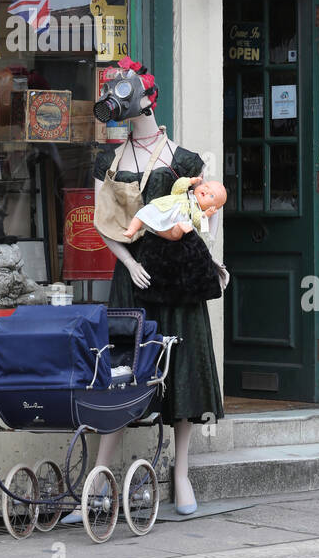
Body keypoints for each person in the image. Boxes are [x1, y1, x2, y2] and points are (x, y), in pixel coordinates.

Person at [78, 57, 227, 519]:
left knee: (179, 367)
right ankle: (100, 476)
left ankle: (180, 472)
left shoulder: (187, 160)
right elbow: (104, 222)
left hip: (177, 278)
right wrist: (126, 260)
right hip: (133, 278)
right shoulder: (109, 160)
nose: (116, 103)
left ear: (144, 98)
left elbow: (206, 225)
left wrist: (208, 260)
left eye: (123, 93)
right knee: (121, 370)